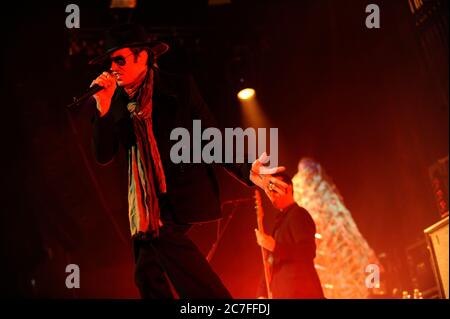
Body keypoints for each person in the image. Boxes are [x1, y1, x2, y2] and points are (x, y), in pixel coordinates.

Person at [89, 24, 287, 298]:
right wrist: (103, 108)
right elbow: (103, 155)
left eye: (119, 59)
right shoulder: (117, 102)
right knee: (146, 273)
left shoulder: (179, 87)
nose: (112, 67)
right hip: (146, 205)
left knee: (160, 242)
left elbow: (212, 139)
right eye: (109, 61)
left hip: (180, 194)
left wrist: (248, 171)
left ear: (143, 56)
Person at [255, 172, 324, 299]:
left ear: (289, 188)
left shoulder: (298, 214)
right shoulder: (280, 222)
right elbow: (270, 262)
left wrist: (275, 246)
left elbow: (307, 252)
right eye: (269, 190)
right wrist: (262, 293)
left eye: (275, 189)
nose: (270, 194)